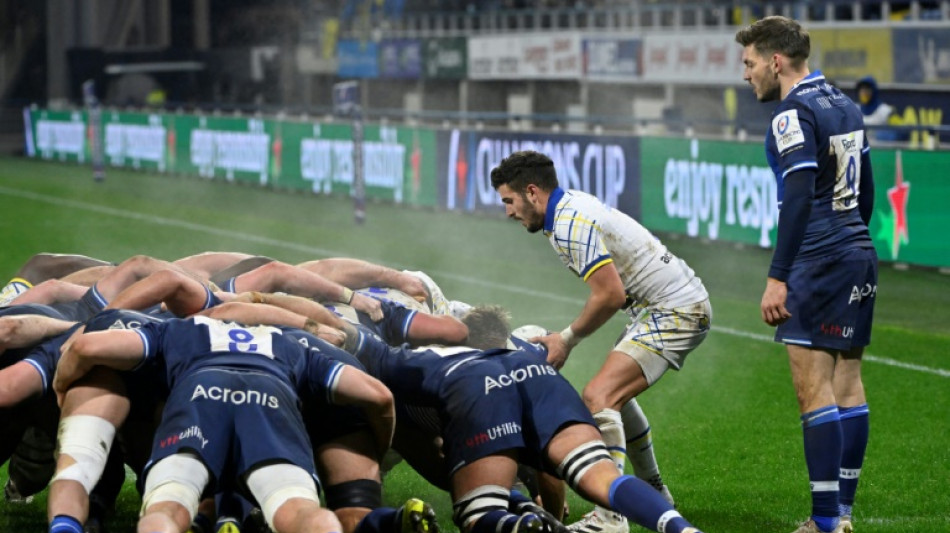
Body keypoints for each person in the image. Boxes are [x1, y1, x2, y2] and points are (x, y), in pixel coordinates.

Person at [490, 150, 712, 533]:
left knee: (599, 397)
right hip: (664, 305)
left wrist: (566, 339)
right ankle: (653, 489)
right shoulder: (567, 210)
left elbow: (609, 295)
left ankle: (610, 518)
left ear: (532, 192)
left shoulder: (569, 222)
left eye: (509, 201)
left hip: (675, 309)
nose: (508, 212)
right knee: (615, 398)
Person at [343, 308, 705, 533]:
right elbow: (550, 470)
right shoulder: (529, 348)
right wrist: (550, 513)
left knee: (477, 513)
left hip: (472, 390)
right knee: (601, 475)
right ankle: (680, 528)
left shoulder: (422, 356)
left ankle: (518, 525)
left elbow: (366, 349)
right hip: (538, 377)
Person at [53, 314, 397, 533]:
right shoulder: (290, 344)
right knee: (298, 511)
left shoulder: (180, 328)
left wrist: (59, 387)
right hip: (270, 399)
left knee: (169, 507)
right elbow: (379, 395)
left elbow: (86, 346)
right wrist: (378, 454)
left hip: (199, 396)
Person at [736, 15, 877, 533]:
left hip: (817, 261)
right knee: (849, 382)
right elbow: (866, 192)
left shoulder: (790, 114)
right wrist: (851, 243)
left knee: (812, 389)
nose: (745, 75)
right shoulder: (845, 105)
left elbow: (798, 193)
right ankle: (841, 515)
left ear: (776, 61)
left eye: (750, 64)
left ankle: (821, 522)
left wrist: (779, 276)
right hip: (857, 254)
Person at [854, 76, 900, 143]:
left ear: (874, 90)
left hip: (880, 151)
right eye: (862, 89)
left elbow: (899, 133)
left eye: (867, 89)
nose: (864, 92)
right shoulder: (854, 110)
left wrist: (881, 135)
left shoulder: (886, 111)